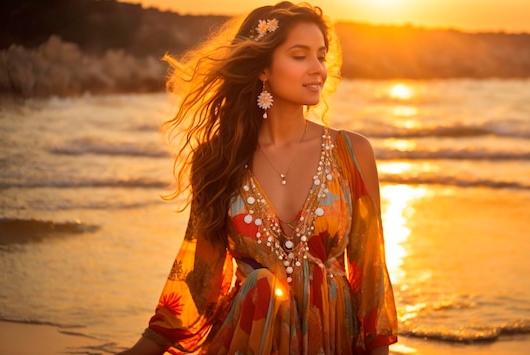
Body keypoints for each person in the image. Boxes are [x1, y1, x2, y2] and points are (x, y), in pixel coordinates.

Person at [117, 2, 397, 354]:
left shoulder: (351, 152)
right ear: (263, 67)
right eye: (300, 56)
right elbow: (200, 277)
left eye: (321, 56)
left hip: (333, 341)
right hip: (247, 341)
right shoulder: (219, 160)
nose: (318, 70)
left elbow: (370, 279)